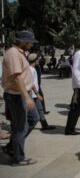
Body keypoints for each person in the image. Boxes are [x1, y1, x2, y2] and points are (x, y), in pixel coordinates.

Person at [1, 30, 38, 165]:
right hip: (17, 96)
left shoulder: (19, 53)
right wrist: (26, 97)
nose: (31, 45)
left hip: (23, 94)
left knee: (33, 119)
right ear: (22, 42)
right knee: (20, 127)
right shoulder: (13, 54)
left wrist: (32, 93)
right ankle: (18, 158)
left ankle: (13, 146)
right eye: (29, 42)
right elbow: (17, 77)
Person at [28, 54, 56, 130]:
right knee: (31, 113)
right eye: (38, 59)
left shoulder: (33, 68)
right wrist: (37, 93)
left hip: (35, 94)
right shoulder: (30, 69)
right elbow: (31, 83)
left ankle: (44, 125)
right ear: (35, 60)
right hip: (32, 94)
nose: (39, 60)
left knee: (40, 108)